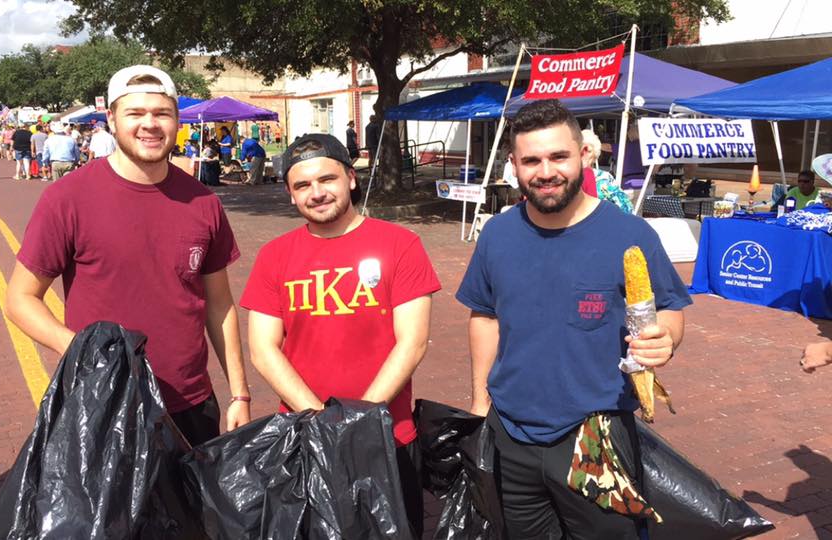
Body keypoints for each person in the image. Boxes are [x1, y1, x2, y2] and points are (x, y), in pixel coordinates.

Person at [456, 99, 690, 539]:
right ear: (513, 165)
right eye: (531, 160)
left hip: (595, 437)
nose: (545, 171)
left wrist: (667, 340)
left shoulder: (629, 234)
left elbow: (669, 309)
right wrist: (479, 403)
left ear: (584, 155)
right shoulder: (497, 234)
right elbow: (484, 317)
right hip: (510, 429)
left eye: (558, 156)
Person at [6, 65, 251, 446]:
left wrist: (239, 393)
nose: (150, 124)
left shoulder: (203, 202)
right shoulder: (67, 199)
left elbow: (219, 306)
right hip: (105, 402)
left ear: (176, 121)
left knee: (192, 507)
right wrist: (85, 352)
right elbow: (20, 298)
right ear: (112, 120)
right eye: (135, 113)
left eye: (162, 113)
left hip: (190, 403)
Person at [241, 133, 440, 538]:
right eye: (302, 185)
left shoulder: (400, 244)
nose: (317, 193)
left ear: (350, 178)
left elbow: (412, 342)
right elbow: (263, 349)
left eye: (326, 179)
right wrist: (321, 421)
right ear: (291, 194)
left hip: (387, 436)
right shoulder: (274, 256)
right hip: (305, 439)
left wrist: (356, 423)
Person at [582, 129, 632, 213]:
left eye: (588, 151)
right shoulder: (567, 177)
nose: (584, 154)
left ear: (595, 155)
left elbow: (626, 207)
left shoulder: (603, 178)